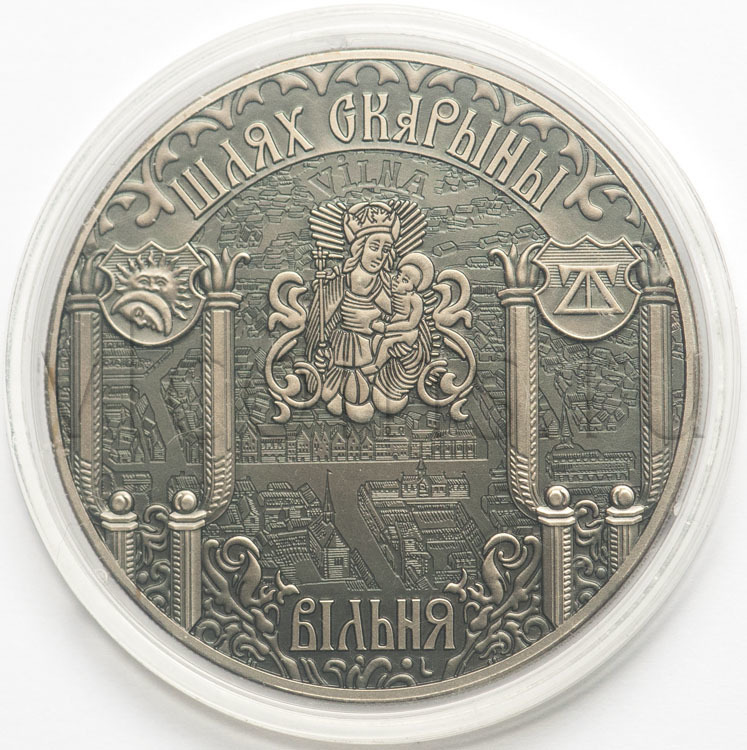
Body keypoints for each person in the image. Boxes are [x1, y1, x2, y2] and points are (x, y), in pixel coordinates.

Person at [362, 262, 425, 375]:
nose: (397, 280)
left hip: (408, 333)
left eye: (404, 280)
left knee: (386, 343)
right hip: (395, 329)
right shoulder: (396, 296)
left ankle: (376, 367)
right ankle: (375, 371)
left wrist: (386, 328)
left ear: (412, 287)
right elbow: (394, 315)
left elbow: (411, 323)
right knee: (376, 339)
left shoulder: (415, 299)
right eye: (398, 276)